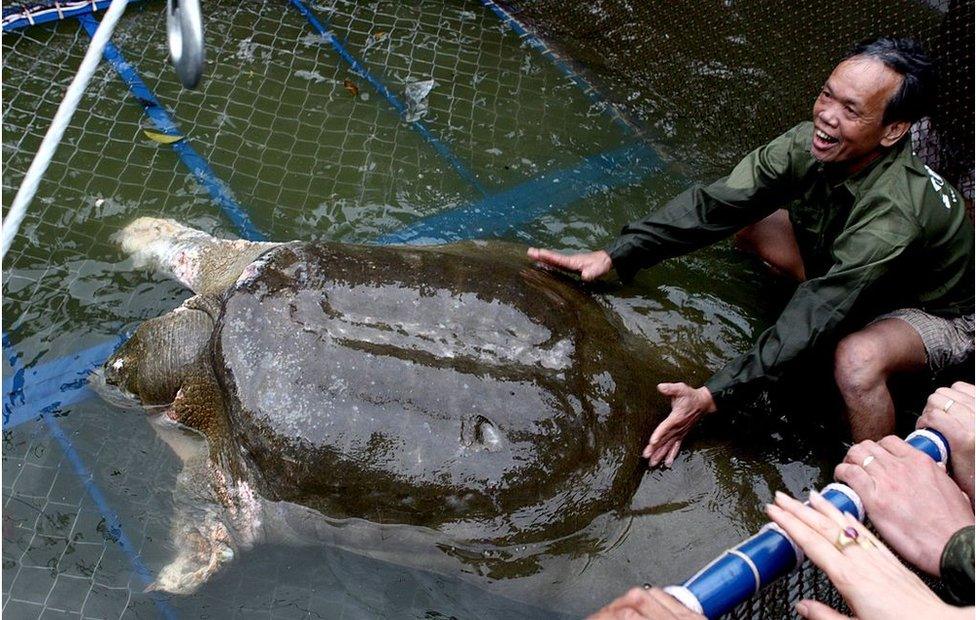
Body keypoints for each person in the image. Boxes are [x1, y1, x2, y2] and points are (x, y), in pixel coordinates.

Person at [527, 37, 975, 467]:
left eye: (851, 110)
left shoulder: (895, 210)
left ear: (893, 130)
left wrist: (712, 395)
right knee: (749, 224)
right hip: (861, 265)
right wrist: (616, 254)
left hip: (942, 313)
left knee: (856, 361)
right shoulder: (810, 142)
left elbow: (819, 307)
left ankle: (884, 476)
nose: (826, 117)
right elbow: (716, 204)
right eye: (826, 95)